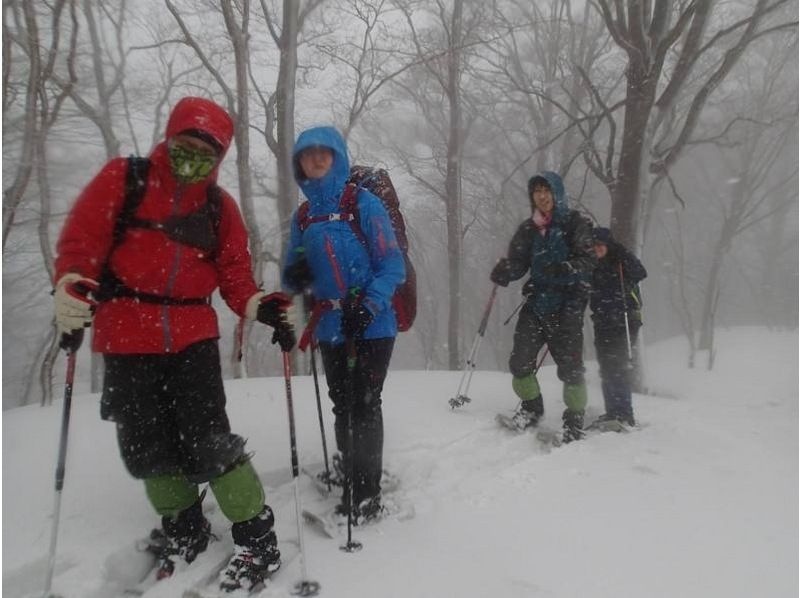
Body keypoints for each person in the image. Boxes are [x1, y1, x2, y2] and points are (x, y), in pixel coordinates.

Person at [53, 96, 296, 593]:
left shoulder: (218, 207)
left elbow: (233, 275)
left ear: (220, 157)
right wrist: (72, 284)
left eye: (207, 152)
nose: (194, 157)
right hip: (125, 335)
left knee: (209, 440)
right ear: (169, 137)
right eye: (186, 145)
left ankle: (256, 538)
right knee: (145, 447)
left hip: (192, 337)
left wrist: (258, 305)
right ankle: (185, 529)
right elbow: (82, 243)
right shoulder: (126, 179)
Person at [282, 126, 405, 522]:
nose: (316, 160)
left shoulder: (363, 203)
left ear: (337, 157)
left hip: (373, 321)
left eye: (324, 154)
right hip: (330, 323)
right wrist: (296, 275)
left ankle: (366, 493)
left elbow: (392, 265)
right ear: (299, 163)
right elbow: (290, 275)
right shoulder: (302, 216)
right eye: (308, 155)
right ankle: (352, 470)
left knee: (365, 403)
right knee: (342, 403)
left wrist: (368, 305)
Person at [490, 171, 596, 442]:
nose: (541, 195)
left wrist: (564, 268)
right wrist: (506, 271)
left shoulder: (575, 223)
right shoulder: (529, 228)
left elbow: (588, 261)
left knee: (571, 368)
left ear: (557, 193)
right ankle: (531, 409)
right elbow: (518, 262)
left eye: (546, 190)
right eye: (536, 191)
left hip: (568, 303)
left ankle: (574, 420)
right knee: (520, 363)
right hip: (537, 302)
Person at [589, 227, 647, 428]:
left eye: (600, 245)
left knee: (618, 366)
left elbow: (641, 272)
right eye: (593, 246)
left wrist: (622, 254)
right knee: (605, 367)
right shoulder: (592, 266)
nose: (597, 249)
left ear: (608, 245)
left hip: (625, 320)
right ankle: (612, 412)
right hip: (602, 321)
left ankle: (625, 413)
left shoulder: (620, 260)